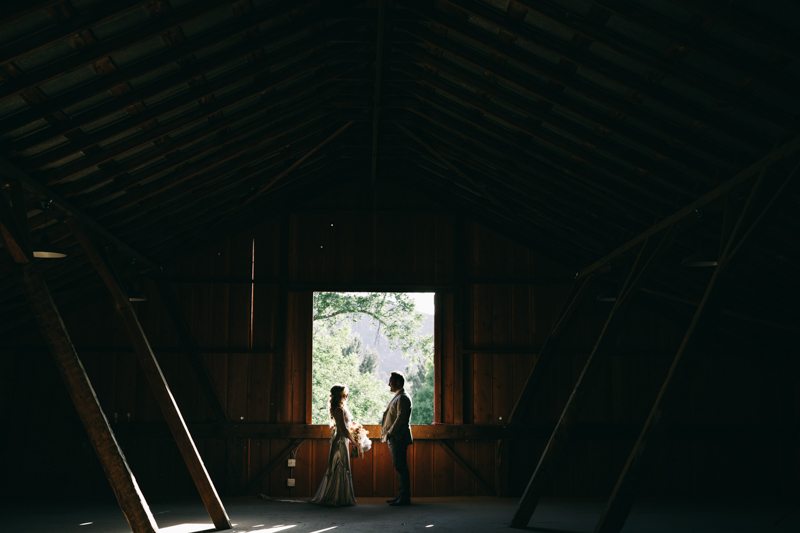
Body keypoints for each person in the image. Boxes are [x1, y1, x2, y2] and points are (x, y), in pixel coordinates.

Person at [308, 383, 357, 506]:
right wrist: (354, 441)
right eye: (345, 394)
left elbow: (346, 427)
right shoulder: (339, 410)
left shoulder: (341, 408)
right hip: (340, 441)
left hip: (342, 440)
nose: (347, 395)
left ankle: (341, 496)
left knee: (342, 468)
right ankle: (337, 497)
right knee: (340, 467)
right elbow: (344, 430)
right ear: (339, 395)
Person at [381, 371, 413, 506]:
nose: (389, 384)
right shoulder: (398, 396)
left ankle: (404, 498)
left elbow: (401, 418)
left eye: (391, 381)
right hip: (395, 437)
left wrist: (390, 433)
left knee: (401, 467)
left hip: (398, 437)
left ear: (398, 382)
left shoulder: (403, 398)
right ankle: (401, 496)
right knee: (399, 466)